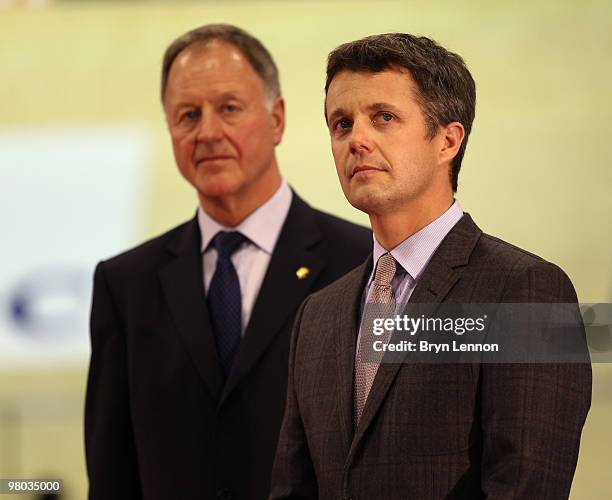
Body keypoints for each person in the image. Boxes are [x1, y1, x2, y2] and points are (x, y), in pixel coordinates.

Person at [270, 33, 591, 499]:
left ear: (447, 141)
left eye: (384, 117)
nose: (357, 139)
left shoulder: (526, 289)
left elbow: (526, 487)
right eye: (342, 124)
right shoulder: (316, 316)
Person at [84, 24, 371, 500]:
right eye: (187, 115)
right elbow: (112, 474)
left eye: (229, 109)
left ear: (277, 118)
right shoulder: (125, 285)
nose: (207, 132)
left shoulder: (362, 263)